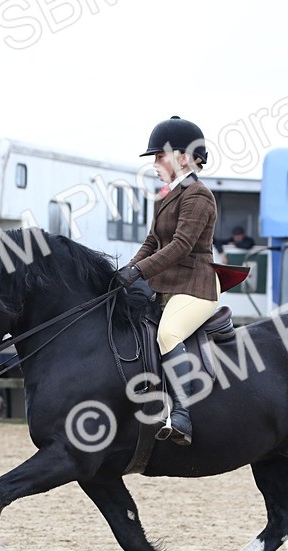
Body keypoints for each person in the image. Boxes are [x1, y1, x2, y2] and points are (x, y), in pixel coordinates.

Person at [114, 116, 221, 446]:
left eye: (161, 156)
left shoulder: (198, 196)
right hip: (166, 285)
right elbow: (152, 242)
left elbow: (180, 246)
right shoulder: (165, 195)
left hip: (197, 287)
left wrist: (140, 272)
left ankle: (182, 416)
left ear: (185, 158)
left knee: (168, 332)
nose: (156, 163)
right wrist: (123, 273)